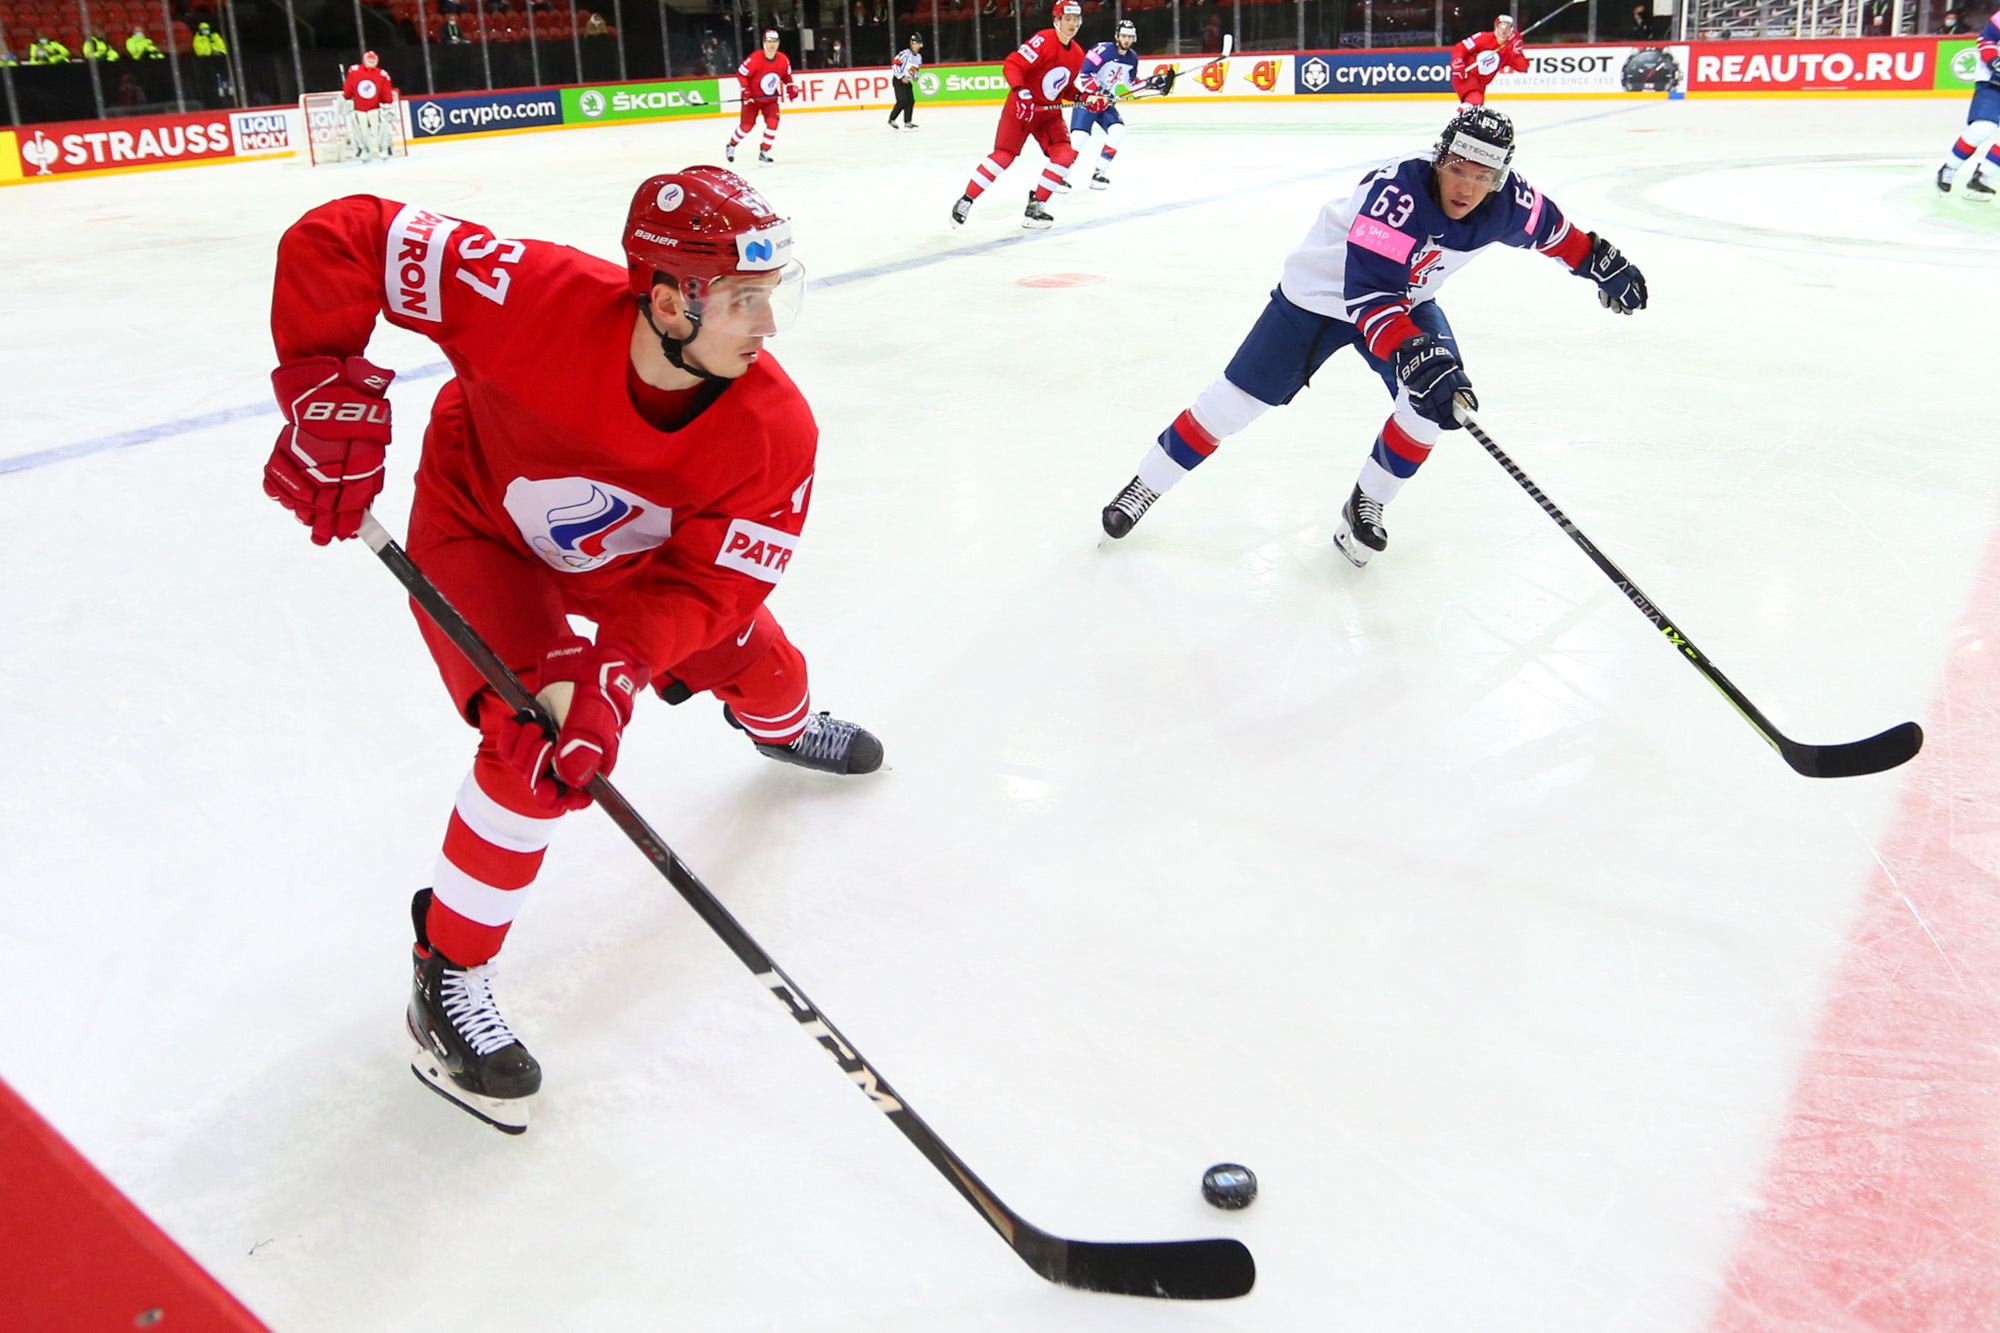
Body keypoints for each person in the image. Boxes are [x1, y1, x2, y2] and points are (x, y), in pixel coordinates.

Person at [261, 168, 884, 1132]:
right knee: (531, 744)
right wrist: (317, 384)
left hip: (639, 570)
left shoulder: (774, 429)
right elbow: (344, 236)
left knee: (768, 669)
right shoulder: (525, 293)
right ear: (669, 301)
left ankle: (782, 727)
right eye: (743, 299)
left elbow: (713, 584)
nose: (768, 325)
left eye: (773, 294)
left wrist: (619, 669)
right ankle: (448, 972)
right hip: (483, 530)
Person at [1096, 108, 1648, 567]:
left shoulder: (1511, 204)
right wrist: (1413, 352)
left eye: (1483, 176)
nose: (1467, 186)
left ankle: (1367, 502)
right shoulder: (1398, 193)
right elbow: (1368, 295)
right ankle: (1146, 484)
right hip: (1318, 298)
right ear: (1440, 158)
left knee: (1436, 405)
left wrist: (1601, 265)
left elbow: (1559, 236)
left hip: (1405, 302)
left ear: (1500, 180)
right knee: (1233, 403)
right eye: (1458, 168)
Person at [950, 0, 1094, 231]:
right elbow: (1012, 65)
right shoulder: (1043, 40)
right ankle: (966, 200)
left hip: (1048, 115)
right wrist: (1021, 92)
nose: (1072, 23)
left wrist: (1083, 97)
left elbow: (1064, 88)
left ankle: (1036, 206)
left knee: (1065, 155)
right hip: (1021, 109)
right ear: (1056, 20)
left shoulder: (1077, 54)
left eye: (1076, 19)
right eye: (1067, 18)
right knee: (1003, 156)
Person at [1067, 18, 1142, 190]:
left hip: (1104, 102)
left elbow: (1131, 83)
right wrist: (1101, 92)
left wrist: (1152, 83)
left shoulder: (1132, 58)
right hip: (1088, 99)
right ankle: (1060, 176)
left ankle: (1099, 174)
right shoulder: (1102, 50)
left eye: (1130, 37)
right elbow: (1084, 75)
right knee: (1079, 138)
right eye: (1124, 36)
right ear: (1117, 36)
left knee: (1118, 131)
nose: (1126, 40)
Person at [1939, 11, 2000, 198]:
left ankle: (1982, 177)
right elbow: (1986, 39)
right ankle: (1949, 168)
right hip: (1993, 80)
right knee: (1983, 128)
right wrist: (1994, 61)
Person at [730, 30, 798, 164]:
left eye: (775, 41)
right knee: (746, 126)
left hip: (770, 99)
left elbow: (786, 76)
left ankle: (764, 151)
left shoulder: (783, 59)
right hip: (752, 99)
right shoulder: (755, 58)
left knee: (773, 123)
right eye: (769, 41)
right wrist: (746, 90)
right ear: (764, 42)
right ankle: (732, 145)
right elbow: (741, 74)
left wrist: (790, 86)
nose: (772, 44)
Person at [1450, 14, 1526, 107]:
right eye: (1502, 26)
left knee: (1476, 107)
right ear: (1496, 27)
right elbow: (1461, 47)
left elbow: (1522, 67)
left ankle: (1462, 114)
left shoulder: (1510, 49)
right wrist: (1457, 61)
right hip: (1466, 75)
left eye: (1508, 27)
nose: (1504, 30)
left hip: (1481, 84)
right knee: (1475, 101)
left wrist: (1518, 53)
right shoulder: (1483, 37)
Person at [341, 50, 398, 164]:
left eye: (373, 60)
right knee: (361, 132)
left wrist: (387, 103)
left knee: (382, 131)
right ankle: (364, 152)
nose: (371, 62)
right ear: (364, 60)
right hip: (359, 108)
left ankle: (384, 150)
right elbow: (349, 86)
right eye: (369, 60)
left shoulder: (382, 74)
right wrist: (347, 96)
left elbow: (386, 90)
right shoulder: (354, 71)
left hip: (376, 108)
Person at [889, 30, 922, 128]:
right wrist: (901, 77)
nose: (918, 46)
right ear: (912, 44)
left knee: (910, 101)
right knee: (902, 100)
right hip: (899, 80)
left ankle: (908, 121)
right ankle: (892, 119)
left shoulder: (918, 57)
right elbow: (895, 64)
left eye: (919, 44)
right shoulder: (905, 53)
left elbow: (916, 68)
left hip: (908, 81)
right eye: (916, 44)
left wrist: (915, 76)